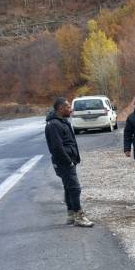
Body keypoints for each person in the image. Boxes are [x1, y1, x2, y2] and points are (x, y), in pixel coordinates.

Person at [44, 97, 94, 227]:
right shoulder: (54, 125)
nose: (71, 110)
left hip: (69, 160)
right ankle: (79, 216)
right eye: (68, 107)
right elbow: (57, 147)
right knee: (75, 188)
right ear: (60, 108)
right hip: (64, 162)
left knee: (68, 188)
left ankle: (71, 214)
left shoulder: (62, 121)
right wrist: (68, 161)